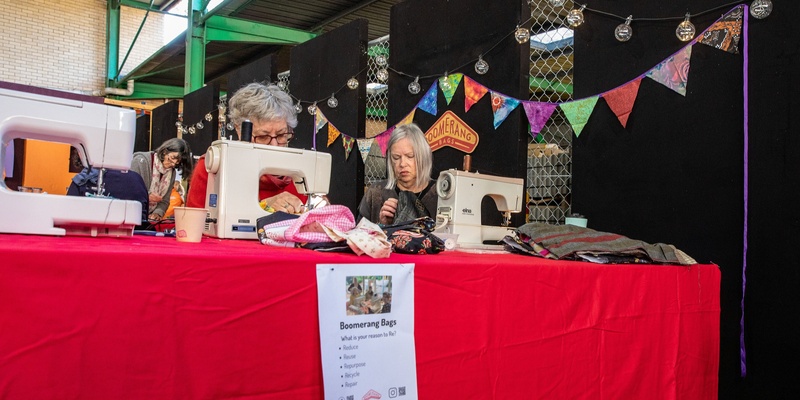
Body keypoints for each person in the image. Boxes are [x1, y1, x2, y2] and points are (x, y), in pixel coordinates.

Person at [186, 82, 307, 214]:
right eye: (262, 136)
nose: (274, 145)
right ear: (240, 130)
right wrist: (264, 207)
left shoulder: (299, 171)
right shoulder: (212, 168)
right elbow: (195, 225)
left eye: (282, 135)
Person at [357, 123, 436, 225]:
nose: (402, 164)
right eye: (396, 157)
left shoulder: (440, 195)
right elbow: (358, 235)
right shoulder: (376, 193)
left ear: (423, 156)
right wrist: (382, 225)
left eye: (410, 156)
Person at [130, 137, 193, 222]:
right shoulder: (141, 161)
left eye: (178, 162)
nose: (174, 164)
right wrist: (146, 196)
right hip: (131, 215)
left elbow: (165, 201)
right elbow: (128, 189)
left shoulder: (171, 173)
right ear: (164, 151)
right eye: (173, 158)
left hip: (148, 221)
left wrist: (157, 213)